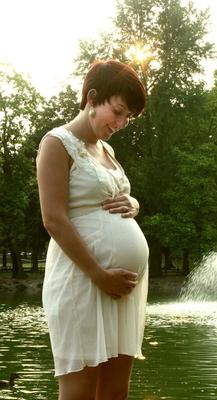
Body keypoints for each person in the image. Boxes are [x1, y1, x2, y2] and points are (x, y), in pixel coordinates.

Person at [36, 59, 149, 400]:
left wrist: (134, 204)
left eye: (128, 117)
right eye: (117, 111)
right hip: (82, 282)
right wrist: (99, 274)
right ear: (92, 97)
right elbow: (53, 218)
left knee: (115, 392)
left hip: (121, 287)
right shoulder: (56, 143)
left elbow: (114, 199)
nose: (121, 123)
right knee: (79, 393)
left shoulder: (107, 150)